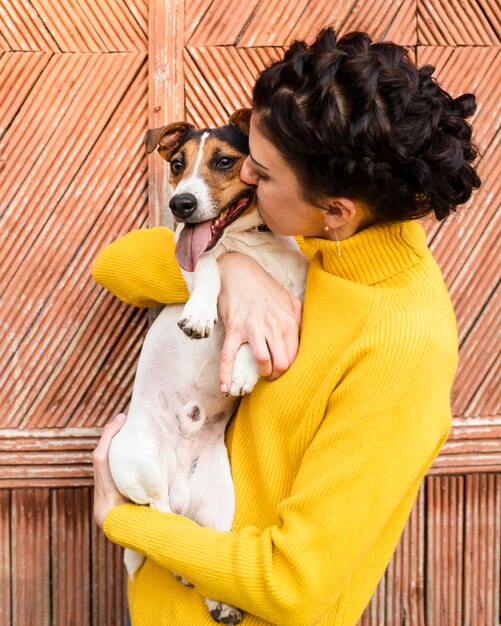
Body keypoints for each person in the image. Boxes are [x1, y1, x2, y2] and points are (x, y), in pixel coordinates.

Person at [91, 28, 480, 626]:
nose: (243, 178)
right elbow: (118, 265)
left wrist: (123, 520)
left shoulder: (402, 346)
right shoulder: (312, 243)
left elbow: (295, 587)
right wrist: (235, 273)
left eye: (262, 174)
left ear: (335, 208)